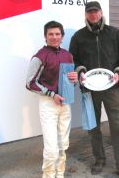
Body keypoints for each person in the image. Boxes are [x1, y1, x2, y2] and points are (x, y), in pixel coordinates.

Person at [69, 1, 119, 178]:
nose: (93, 14)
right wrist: (80, 71)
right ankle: (99, 159)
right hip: (89, 90)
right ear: (86, 14)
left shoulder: (114, 33)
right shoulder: (78, 37)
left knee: (118, 127)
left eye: (96, 11)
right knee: (93, 127)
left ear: (101, 12)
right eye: (90, 12)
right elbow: (72, 59)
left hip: (111, 88)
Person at [26, 21, 78, 178]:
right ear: (45, 36)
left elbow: (69, 81)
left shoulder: (68, 55)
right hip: (49, 104)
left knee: (64, 145)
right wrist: (51, 94)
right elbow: (30, 83)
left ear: (62, 36)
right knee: (51, 149)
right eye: (51, 34)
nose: (54, 37)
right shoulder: (39, 56)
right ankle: (48, 175)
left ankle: (60, 174)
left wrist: (74, 79)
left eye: (57, 34)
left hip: (65, 103)